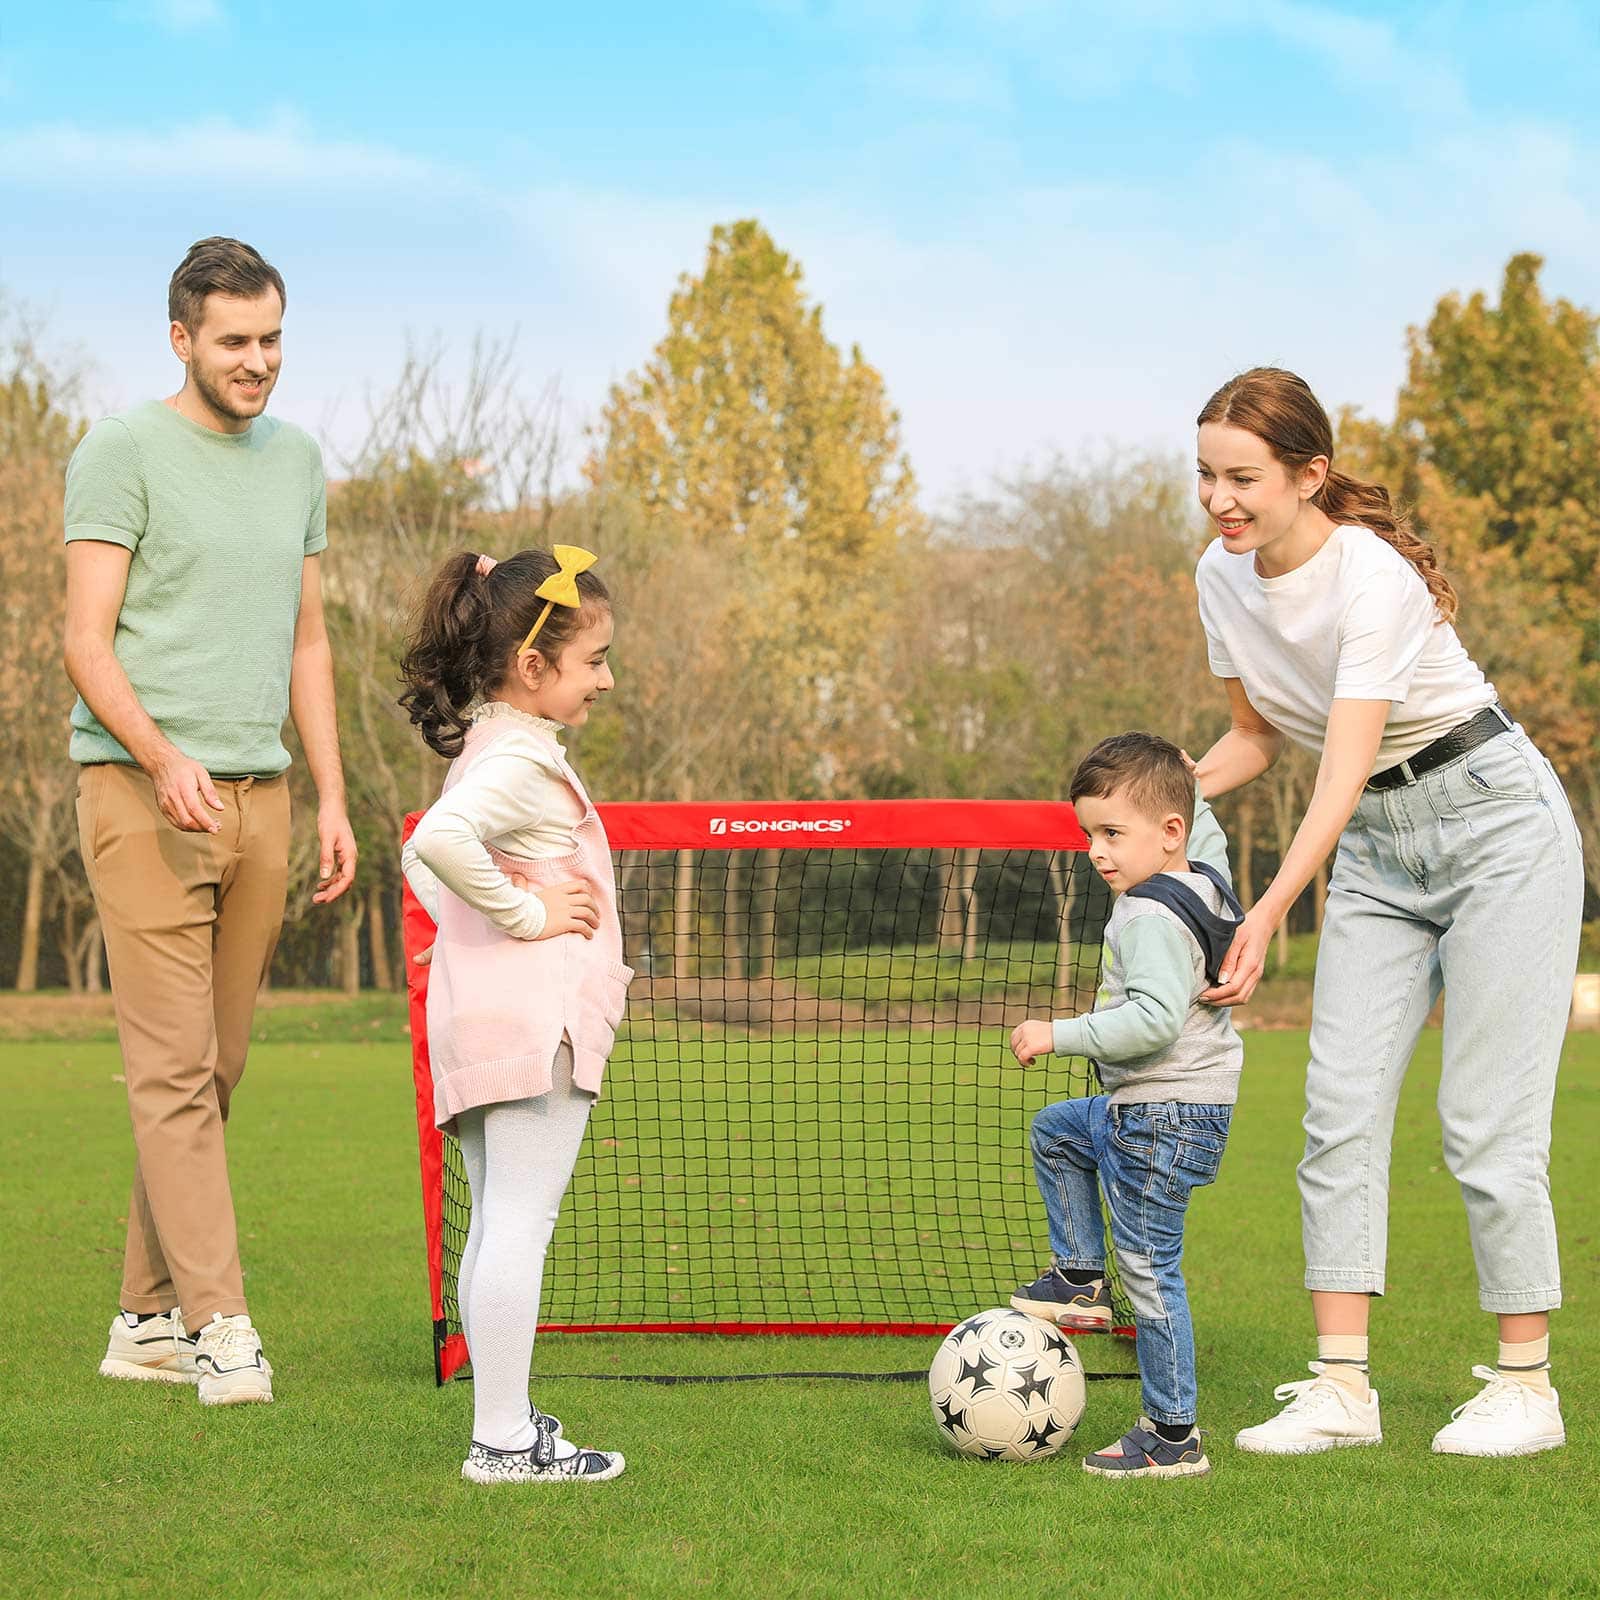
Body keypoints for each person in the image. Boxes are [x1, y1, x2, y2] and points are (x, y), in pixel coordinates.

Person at [1192, 367, 1583, 1458]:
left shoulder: (1371, 576)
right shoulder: (1218, 578)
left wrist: (1266, 911)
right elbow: (1258, 736)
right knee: (1338, 1109)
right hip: (1375, 842)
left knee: (1484, 1123)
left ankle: (1526, 1389)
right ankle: (1340, 1391)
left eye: (1242, 478)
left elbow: (1340, 763)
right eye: (1206, 476)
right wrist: (1159, 795)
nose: (1219, 500)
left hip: (1495, 826)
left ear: (1308, 474)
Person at [64, 237, 357, 1406]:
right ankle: (218, 1324)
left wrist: (332, 792)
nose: (258, 360)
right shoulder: (120, 450)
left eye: (272, 338)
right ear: (181, 338)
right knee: (175, 1071)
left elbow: (308, 641)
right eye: (235, 340)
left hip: (263, 799)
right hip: (142, 796)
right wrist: (161, 755)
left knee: (218, 1067)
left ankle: (143, 1318)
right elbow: (86, 640)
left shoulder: (297, 462)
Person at [399, 544, 631, 1485]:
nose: (606, 680)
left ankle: (504, 1422)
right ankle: (499, 1441)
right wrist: (527, 914)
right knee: (519, 1227)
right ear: (532, 666)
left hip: (480, 1022)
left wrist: (471, 919)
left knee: (497, 1223)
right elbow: (438, 840)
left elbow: (423, 858)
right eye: (593, 661)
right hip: (535, 1026)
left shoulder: (489, 748)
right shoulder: (524, 760)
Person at [1008, 732, 1243, 1479]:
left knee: (1149, 1271)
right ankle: (1080, 1276)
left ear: (1168, 832)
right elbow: (1205, 827)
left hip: (1159, 1116)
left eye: (1113, 833)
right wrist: (1186, 778)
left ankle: (1172, 1435)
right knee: (1058, 1131)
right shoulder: (1205, 877)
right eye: (1090, 834)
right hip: (1175, 1110)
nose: (1097, 852)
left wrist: (1058, 1032)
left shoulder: (1145, 914)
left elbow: (1152, 1022)